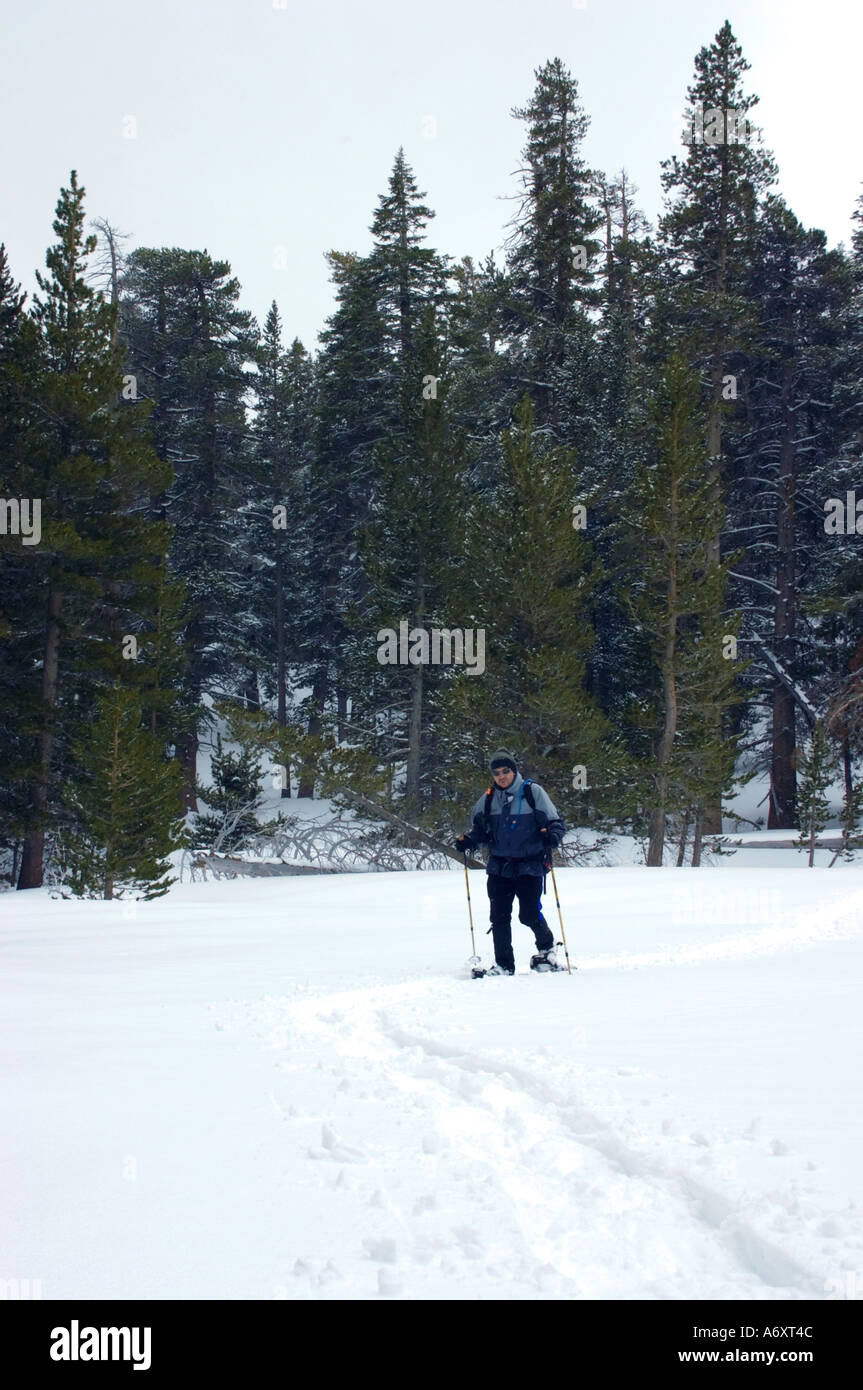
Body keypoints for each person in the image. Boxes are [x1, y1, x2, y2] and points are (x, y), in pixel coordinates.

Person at [454, 749, 565, 975]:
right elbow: (481, 831)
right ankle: (504, 965)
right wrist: (468, 841)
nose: (501, 776)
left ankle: (546, 949)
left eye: (506, 771)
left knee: (529, 914)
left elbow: (556, 822)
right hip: (499, 867)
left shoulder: (533, 793)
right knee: (499, 917)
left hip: (530, 865)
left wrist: (551, 837)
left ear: (514, 771)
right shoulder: (488, 799)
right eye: (497, 773)